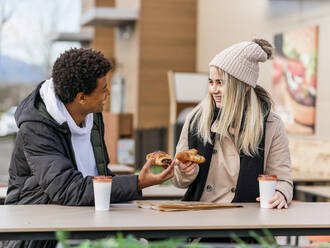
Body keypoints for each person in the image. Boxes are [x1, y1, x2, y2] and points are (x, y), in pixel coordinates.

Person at [2, 48, 174, 248]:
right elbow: (68, 189)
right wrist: (137, 183)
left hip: (86, 219)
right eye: (103, 89)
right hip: (39, 233)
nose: (107, 93)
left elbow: (99, 175)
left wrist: (141, 177)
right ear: (81, 97)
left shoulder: (91, 115)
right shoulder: (36, 128)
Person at [172, 39, 293, 210]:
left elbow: (283, 179)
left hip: (246, 223)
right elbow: (178, 180)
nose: (213, 90)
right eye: (211, 82)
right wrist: (185, 173)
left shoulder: (270, 124)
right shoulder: (196, 119)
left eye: (221, 82)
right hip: (199, 218)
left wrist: (280, 193)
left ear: (244, 86)